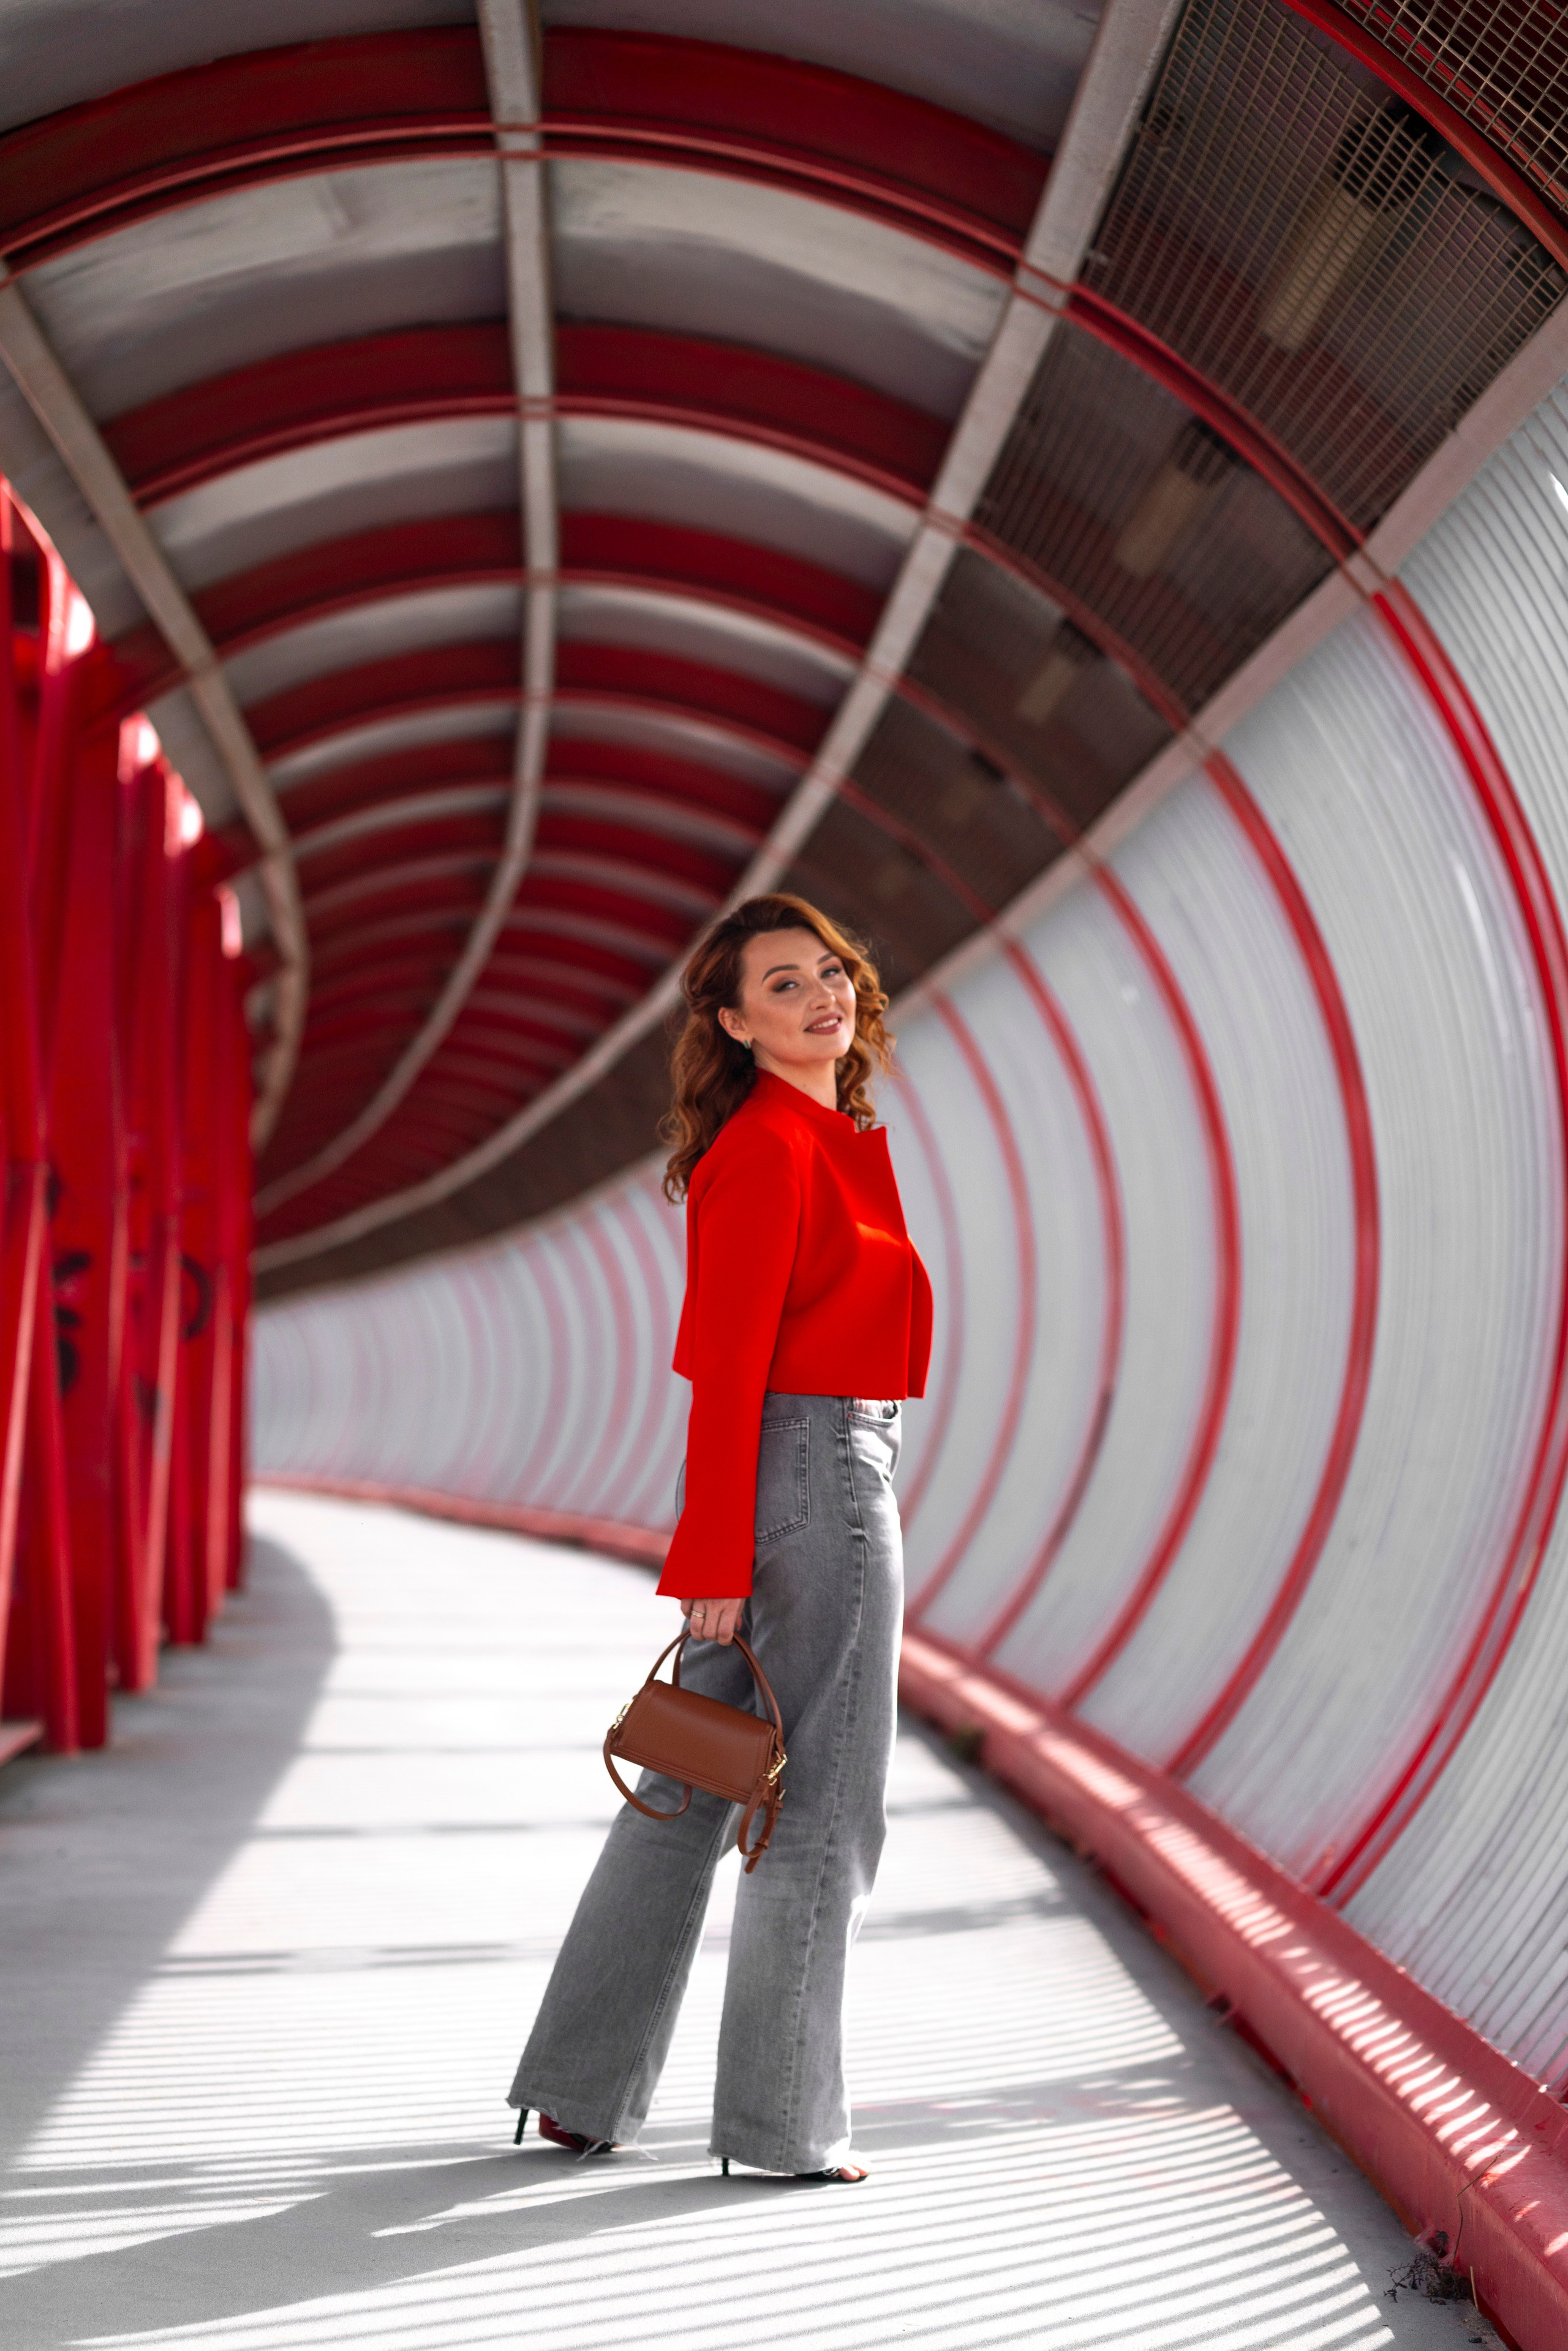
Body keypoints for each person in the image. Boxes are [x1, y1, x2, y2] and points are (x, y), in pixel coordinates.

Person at [507, 892, 932, 2183]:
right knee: (823, 1801)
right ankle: (782, 2121)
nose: (822, 997)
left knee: (694, 1779)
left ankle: (583, 2087)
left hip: (791, 1472)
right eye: (784, 984)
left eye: (831, 973)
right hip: (814, 1473)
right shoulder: (772, 1148)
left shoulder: (820, 1134)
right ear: (735, 1023)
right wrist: (707, 1561)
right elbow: (730, 1367)